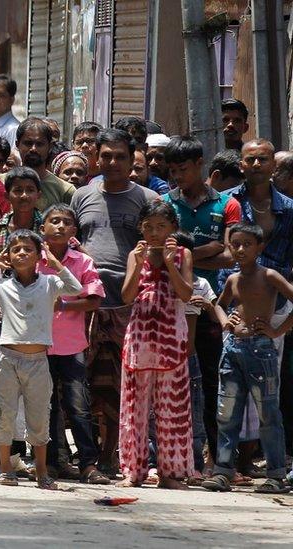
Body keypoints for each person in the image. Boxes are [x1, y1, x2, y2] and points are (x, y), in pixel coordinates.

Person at [0, 229, 83, 489]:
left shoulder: (50, 284)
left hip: (38, 360)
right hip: (8, 358)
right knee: (4, 412)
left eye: (28, 249)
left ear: (39, 255)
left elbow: (76, 288)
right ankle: (6, 469)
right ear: (9, 256)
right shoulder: (3, 286)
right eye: (15, 249)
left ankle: (41, 471)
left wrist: (56, 264)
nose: (21, 253)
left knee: (39, 416)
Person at [72, 128, 159, 473]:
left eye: (120, 156)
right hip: (87, 305)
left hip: (129, 306)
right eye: (105, 156)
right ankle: (86, 457)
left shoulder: (147, 199)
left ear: (131, 159)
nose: (112, 163)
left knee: (122, 384)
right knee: (82, 382)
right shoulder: (81, 196)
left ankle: (113, 456)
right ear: (96, 156)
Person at [161, 135, 241, 467]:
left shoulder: (227, 204)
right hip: (171, 306)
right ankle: (173, 456)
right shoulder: (165, 203)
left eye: (184, 169)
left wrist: (185, 253)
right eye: (173, 170)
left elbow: (230, 255)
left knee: (213, 383)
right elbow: (160, 254)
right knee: (171, 383)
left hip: (213, 306)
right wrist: (205, 250)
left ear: (199, 165)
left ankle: (216, 459)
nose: (178, 176)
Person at [204, 224, 293, 494]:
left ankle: (276, 475)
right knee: (226, 413)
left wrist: (277, 330)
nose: (241, 249)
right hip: (233, 349)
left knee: (268, 414)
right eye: (236, 244)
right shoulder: (232, 279)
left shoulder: (270, 276)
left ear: (260, 247)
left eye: (247, 244)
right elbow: (218, 304)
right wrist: (225, 322)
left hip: (260, 350)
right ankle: (223, 471)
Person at [117, 201, 194, 489]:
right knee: (134, 407)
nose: (154, 232)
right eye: (148, 226)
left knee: (172, 408)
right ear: (140, 228)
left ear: (173, 227)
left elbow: (185, 294)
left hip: (171, 338)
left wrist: (172, 262)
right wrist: (138, 264)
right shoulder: (135, 255)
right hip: (140, 336)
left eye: (161, 226)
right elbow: (126, 296)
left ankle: (170, 473)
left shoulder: (183, 254)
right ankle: (132, 471)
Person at [38, 204, 108, 484]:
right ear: (42, 228)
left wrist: (64, 305)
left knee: (78, 406)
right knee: (48, 406)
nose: (59, 226)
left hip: (71, 346)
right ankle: (52, 463)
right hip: (40, 345)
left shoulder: (82, 262)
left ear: (74, 231)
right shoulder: (32, 259)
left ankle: (88, 464)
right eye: (53, 221)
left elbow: (95, 299)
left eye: (66, 222)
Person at [175, 231, 215, 480]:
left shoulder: (201, 284)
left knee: (194, 414)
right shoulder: (157, 281)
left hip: (189, 356)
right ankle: (157, 460)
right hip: (166, 356)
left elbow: (214, 314)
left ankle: (195, 465)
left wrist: (209, 306)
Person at [0, 117, 75, 211]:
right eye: (28, 143)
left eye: (39, 144)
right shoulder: (0, 183)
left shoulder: (64, 190)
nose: (33, 149)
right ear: (17, 145)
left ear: (50, 147)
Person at [0, 166, 42, 250]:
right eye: (18, 190)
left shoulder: (47, 228)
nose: (24, 196)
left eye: (30, 190)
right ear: (6, 196)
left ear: (38, 195)